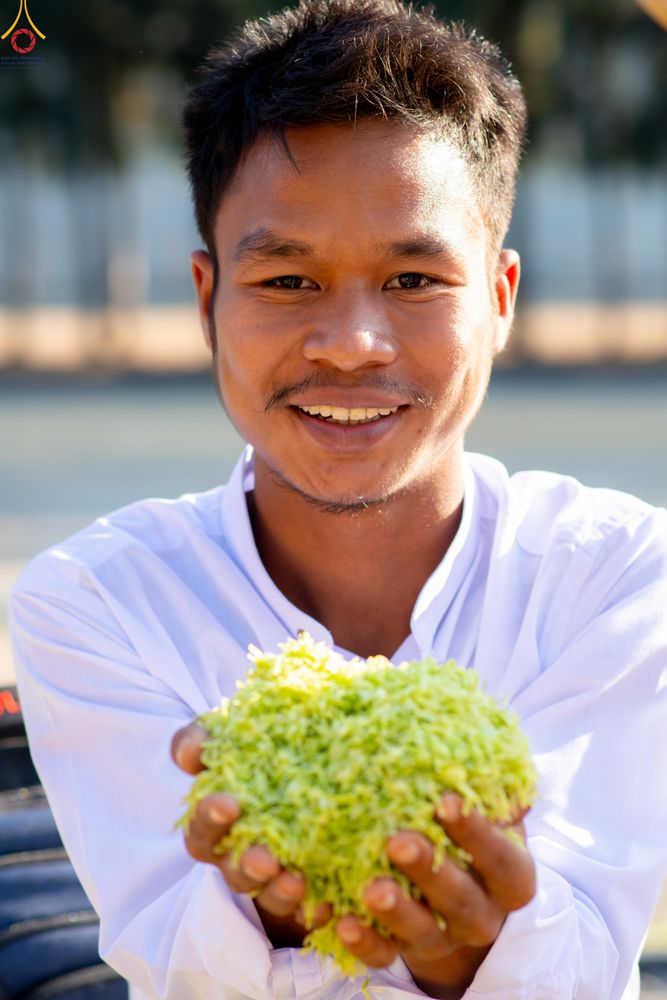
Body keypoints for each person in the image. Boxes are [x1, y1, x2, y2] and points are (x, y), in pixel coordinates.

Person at [9, 1, 667, 998]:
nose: (351, 342)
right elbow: (181, 965)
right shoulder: (98, 603)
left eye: (412, 276)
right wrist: (265, 896)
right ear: (205, 299)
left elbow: (579, 959)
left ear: (497, 300)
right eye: (285, 279)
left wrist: (466, 945)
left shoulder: (619, 578)